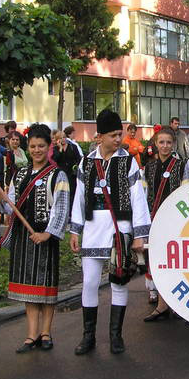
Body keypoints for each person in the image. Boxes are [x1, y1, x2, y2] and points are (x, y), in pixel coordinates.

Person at [70, 109, 150, 355]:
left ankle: (116, 336)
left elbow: (138, 199)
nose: (118, 139)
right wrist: (75, 230)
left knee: (118, 282)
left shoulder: (128, 162)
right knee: (90, 283)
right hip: (93, 229)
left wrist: (139, 235)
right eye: (113, 135)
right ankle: (88, 336)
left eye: (120, 134)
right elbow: (80, 197)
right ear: (100, 136)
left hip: (120, 230)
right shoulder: (87, 162)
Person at [0, 124, 70, 353]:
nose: (36, 150)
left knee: (45, 287)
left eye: (41, 146)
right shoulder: (20, 173)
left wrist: (48, 233)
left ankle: (46, 332)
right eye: (33, 146)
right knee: (29, 288)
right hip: (24, 237)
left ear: (49, 147)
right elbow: (10, 204)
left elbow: (61, 207)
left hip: (45, 235)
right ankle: (31, 333)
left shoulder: (58, 175)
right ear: (28, 146)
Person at [142, 126, 189, 316]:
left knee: (176, 262)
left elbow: (186, 194)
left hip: (174, 222)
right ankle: (162, 304)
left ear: (174, 144)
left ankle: (178, 304)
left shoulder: (181, 166)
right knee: (159, 262)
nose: (165, 146)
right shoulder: (148, 168)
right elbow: (143, 197)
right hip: (154, 221)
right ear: (155, 144)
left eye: (168, 142)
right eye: (161, 142)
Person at [51, 129, 82, 209]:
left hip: (72, 174)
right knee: (63, 192)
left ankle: (72, 211)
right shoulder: (56, 149)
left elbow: (79, 159)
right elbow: (56, 159)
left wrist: (76, 167)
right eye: (60, 138)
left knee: (72, 193)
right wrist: (60, 148)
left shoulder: (73, 147)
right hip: (62, 174)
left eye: (64, 137)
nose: (63, 139)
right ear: (57, 140)